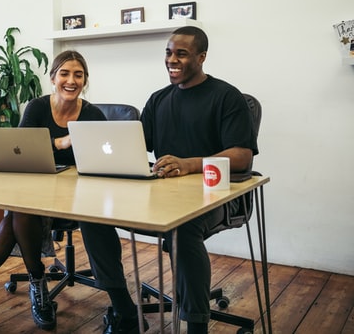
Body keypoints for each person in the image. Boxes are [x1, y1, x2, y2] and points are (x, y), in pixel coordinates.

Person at [79, 26, 259, 334]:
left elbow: (243, 156)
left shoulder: (227, 97)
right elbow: (138, 144)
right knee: (92, 215)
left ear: (201, 57)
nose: (171, 60)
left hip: (216, 198)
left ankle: (197, 326)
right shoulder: (159, 99)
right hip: (160, 195)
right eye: (168, 52)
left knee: (183, 227)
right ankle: (124, 310)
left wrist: (189, 164)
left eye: (181, 54)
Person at [0, 50, 106, 334]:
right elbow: (21, 149)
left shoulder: (93, 115)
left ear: (85, 81)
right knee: (20, 212)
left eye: (78, 75)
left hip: (75, 197)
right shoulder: (37, 108)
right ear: (53, 78)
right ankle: (37, 289)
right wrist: (62, 143)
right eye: (64, 73)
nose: (71, 80)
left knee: (15, 217)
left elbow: (101, 161)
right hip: (34, 188)